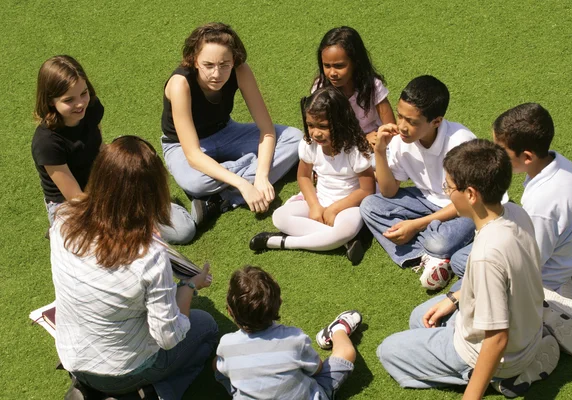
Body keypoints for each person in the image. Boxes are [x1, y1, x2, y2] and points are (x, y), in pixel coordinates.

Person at [378, 139, 562, 398]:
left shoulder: (488, 254)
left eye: (449, 187)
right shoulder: (515, 213)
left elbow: (496, 339)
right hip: (527, 330)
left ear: (471, 194)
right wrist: (453, 299)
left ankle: (500, 379)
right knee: (419, 317)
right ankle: (538, 339)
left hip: (501, 356)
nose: (447, 193)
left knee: (388, 351)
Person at [50, 136, 218, 399]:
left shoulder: (63, 219)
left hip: (73, 355)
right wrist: (188, 287)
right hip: (122, 369)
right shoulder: (149, 257)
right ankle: (152, 393)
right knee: (205, 327)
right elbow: (168, 338)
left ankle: (88, 388)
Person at [449, 103, 572, 325]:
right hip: (554, 260)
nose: (494, 156)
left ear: (526, 157)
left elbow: (526, 263)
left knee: (466, 299)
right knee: (460, 260)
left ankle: (551, 312)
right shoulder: (560, 163)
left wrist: (458, 296)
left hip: (542, 281)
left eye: (500, 151)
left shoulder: (542, 204)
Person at [31, 55, 196, 244]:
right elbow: (76, 198)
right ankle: (58, 230)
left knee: (184, 230)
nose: (80, 104)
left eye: (83, 93)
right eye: (69, 99)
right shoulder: (47, 142)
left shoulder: (91, 108)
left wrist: (123, 182)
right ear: (51, 100)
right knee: (103, 248)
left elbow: (100, 147)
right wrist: (121, 214)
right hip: (72, 205)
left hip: (105, 185)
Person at [161, 22, 303, 224]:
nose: (217, 74)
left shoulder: (241, 71)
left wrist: (262, 176)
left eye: (224, 65)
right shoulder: (180, 84)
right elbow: (193, 155)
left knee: (294, 139)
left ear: (234, 60)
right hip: (181, 146)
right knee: (195, 183)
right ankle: (245, 169)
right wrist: (244, 184)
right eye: (208, 65)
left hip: (226, 131)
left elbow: (267, 130)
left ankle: (221, 198)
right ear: (194, 61)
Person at [359, 75, 476, 289]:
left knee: (438, 242)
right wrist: (380, 151)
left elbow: (468, 202)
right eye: (400, 116)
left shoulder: (461, 142)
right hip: (427, 199)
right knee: (369, 206)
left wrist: (416, 225)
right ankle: (431, 256)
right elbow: (388, 191)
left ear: (436, 121)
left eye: (412, 122)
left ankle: (436, 250)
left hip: (467, 209)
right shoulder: (401, 140)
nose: (402, 126)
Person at [249, 86, 375, 265]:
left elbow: (367, 190)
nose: (315, 132)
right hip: (320, 200)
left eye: (323, 126)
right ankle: (343, 243)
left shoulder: (355, 149)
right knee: (279, 217)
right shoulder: (310, 145)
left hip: (349, 206)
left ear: (340, 122)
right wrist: (315, 206)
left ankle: (281, 242)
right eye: (310, 125)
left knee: (345, 230)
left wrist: (335, 209)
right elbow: (304, 177)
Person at [215, 265, 362, 399]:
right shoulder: (294, 339)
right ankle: (338, 330)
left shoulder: (226, 345)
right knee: (346, 352)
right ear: (279, 303)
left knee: (218, 366)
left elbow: (218, 367)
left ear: (229, 311)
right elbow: (317, 369)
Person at [313, 26, 395, 149]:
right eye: (327, 66)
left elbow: (390, 126)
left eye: (339, 66)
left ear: (355, 62)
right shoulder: (320, 89)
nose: (332, 73)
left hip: (375, 141)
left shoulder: (372, 86)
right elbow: (323, 130)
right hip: (341, 146)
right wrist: (362, 140)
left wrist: (380, 140)